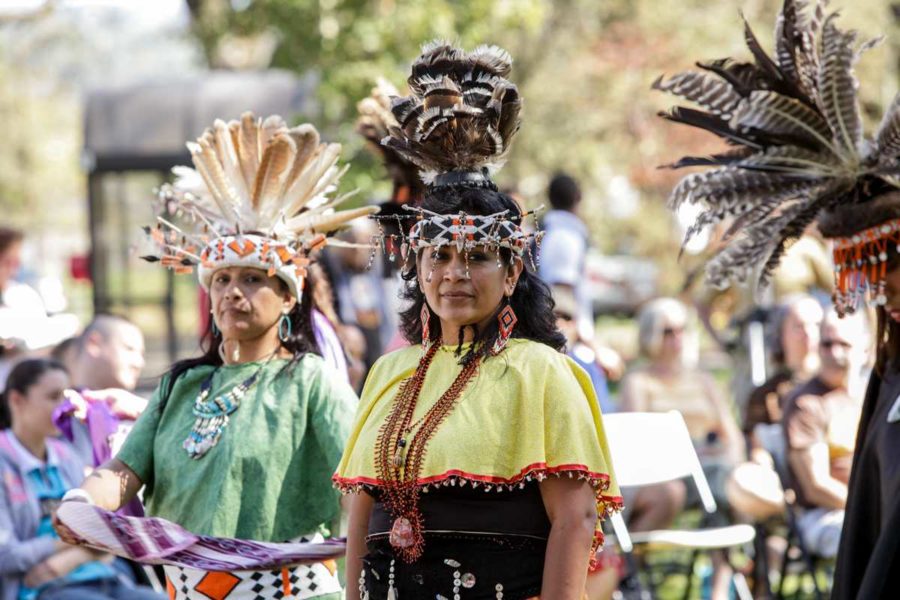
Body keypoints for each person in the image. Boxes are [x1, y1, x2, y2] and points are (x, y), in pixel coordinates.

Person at [334, 42, 621, 600]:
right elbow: (360, 516)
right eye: (438, 255)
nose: (455, 274)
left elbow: (575, 518)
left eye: (478, 256)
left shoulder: (545, 373)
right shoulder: (389, 371)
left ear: (512, 272)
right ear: (416, 265)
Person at [54, 113, 371, 598]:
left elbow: (362, 481)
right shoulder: (180, 386)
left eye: (251, 279)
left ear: (288, 297)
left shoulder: (309, 379)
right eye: (221, 280)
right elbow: (123, 473)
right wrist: (79, 502)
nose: (232, 293)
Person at [653, 1, 900, 595]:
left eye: (889, 277)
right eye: (878, 281)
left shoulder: (867, 364)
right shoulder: (881, 381)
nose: (886, 296)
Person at [0, 358, 163, 600]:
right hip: (44, 591)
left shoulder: (67, 455)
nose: (65, 406)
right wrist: (76, 542)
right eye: (53, 396)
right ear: (16, 400)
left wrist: (67, 559)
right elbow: (7, 556)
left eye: (66, 396)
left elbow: (104, 531)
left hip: (107, 577)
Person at [782, 309, 870, 559]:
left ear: (865, 348)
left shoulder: (872, 395)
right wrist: (868, 509)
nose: (834, 353)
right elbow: (816, 486)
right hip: (826, 514)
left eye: (843, 344)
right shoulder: (806, 404)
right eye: (827, 344)